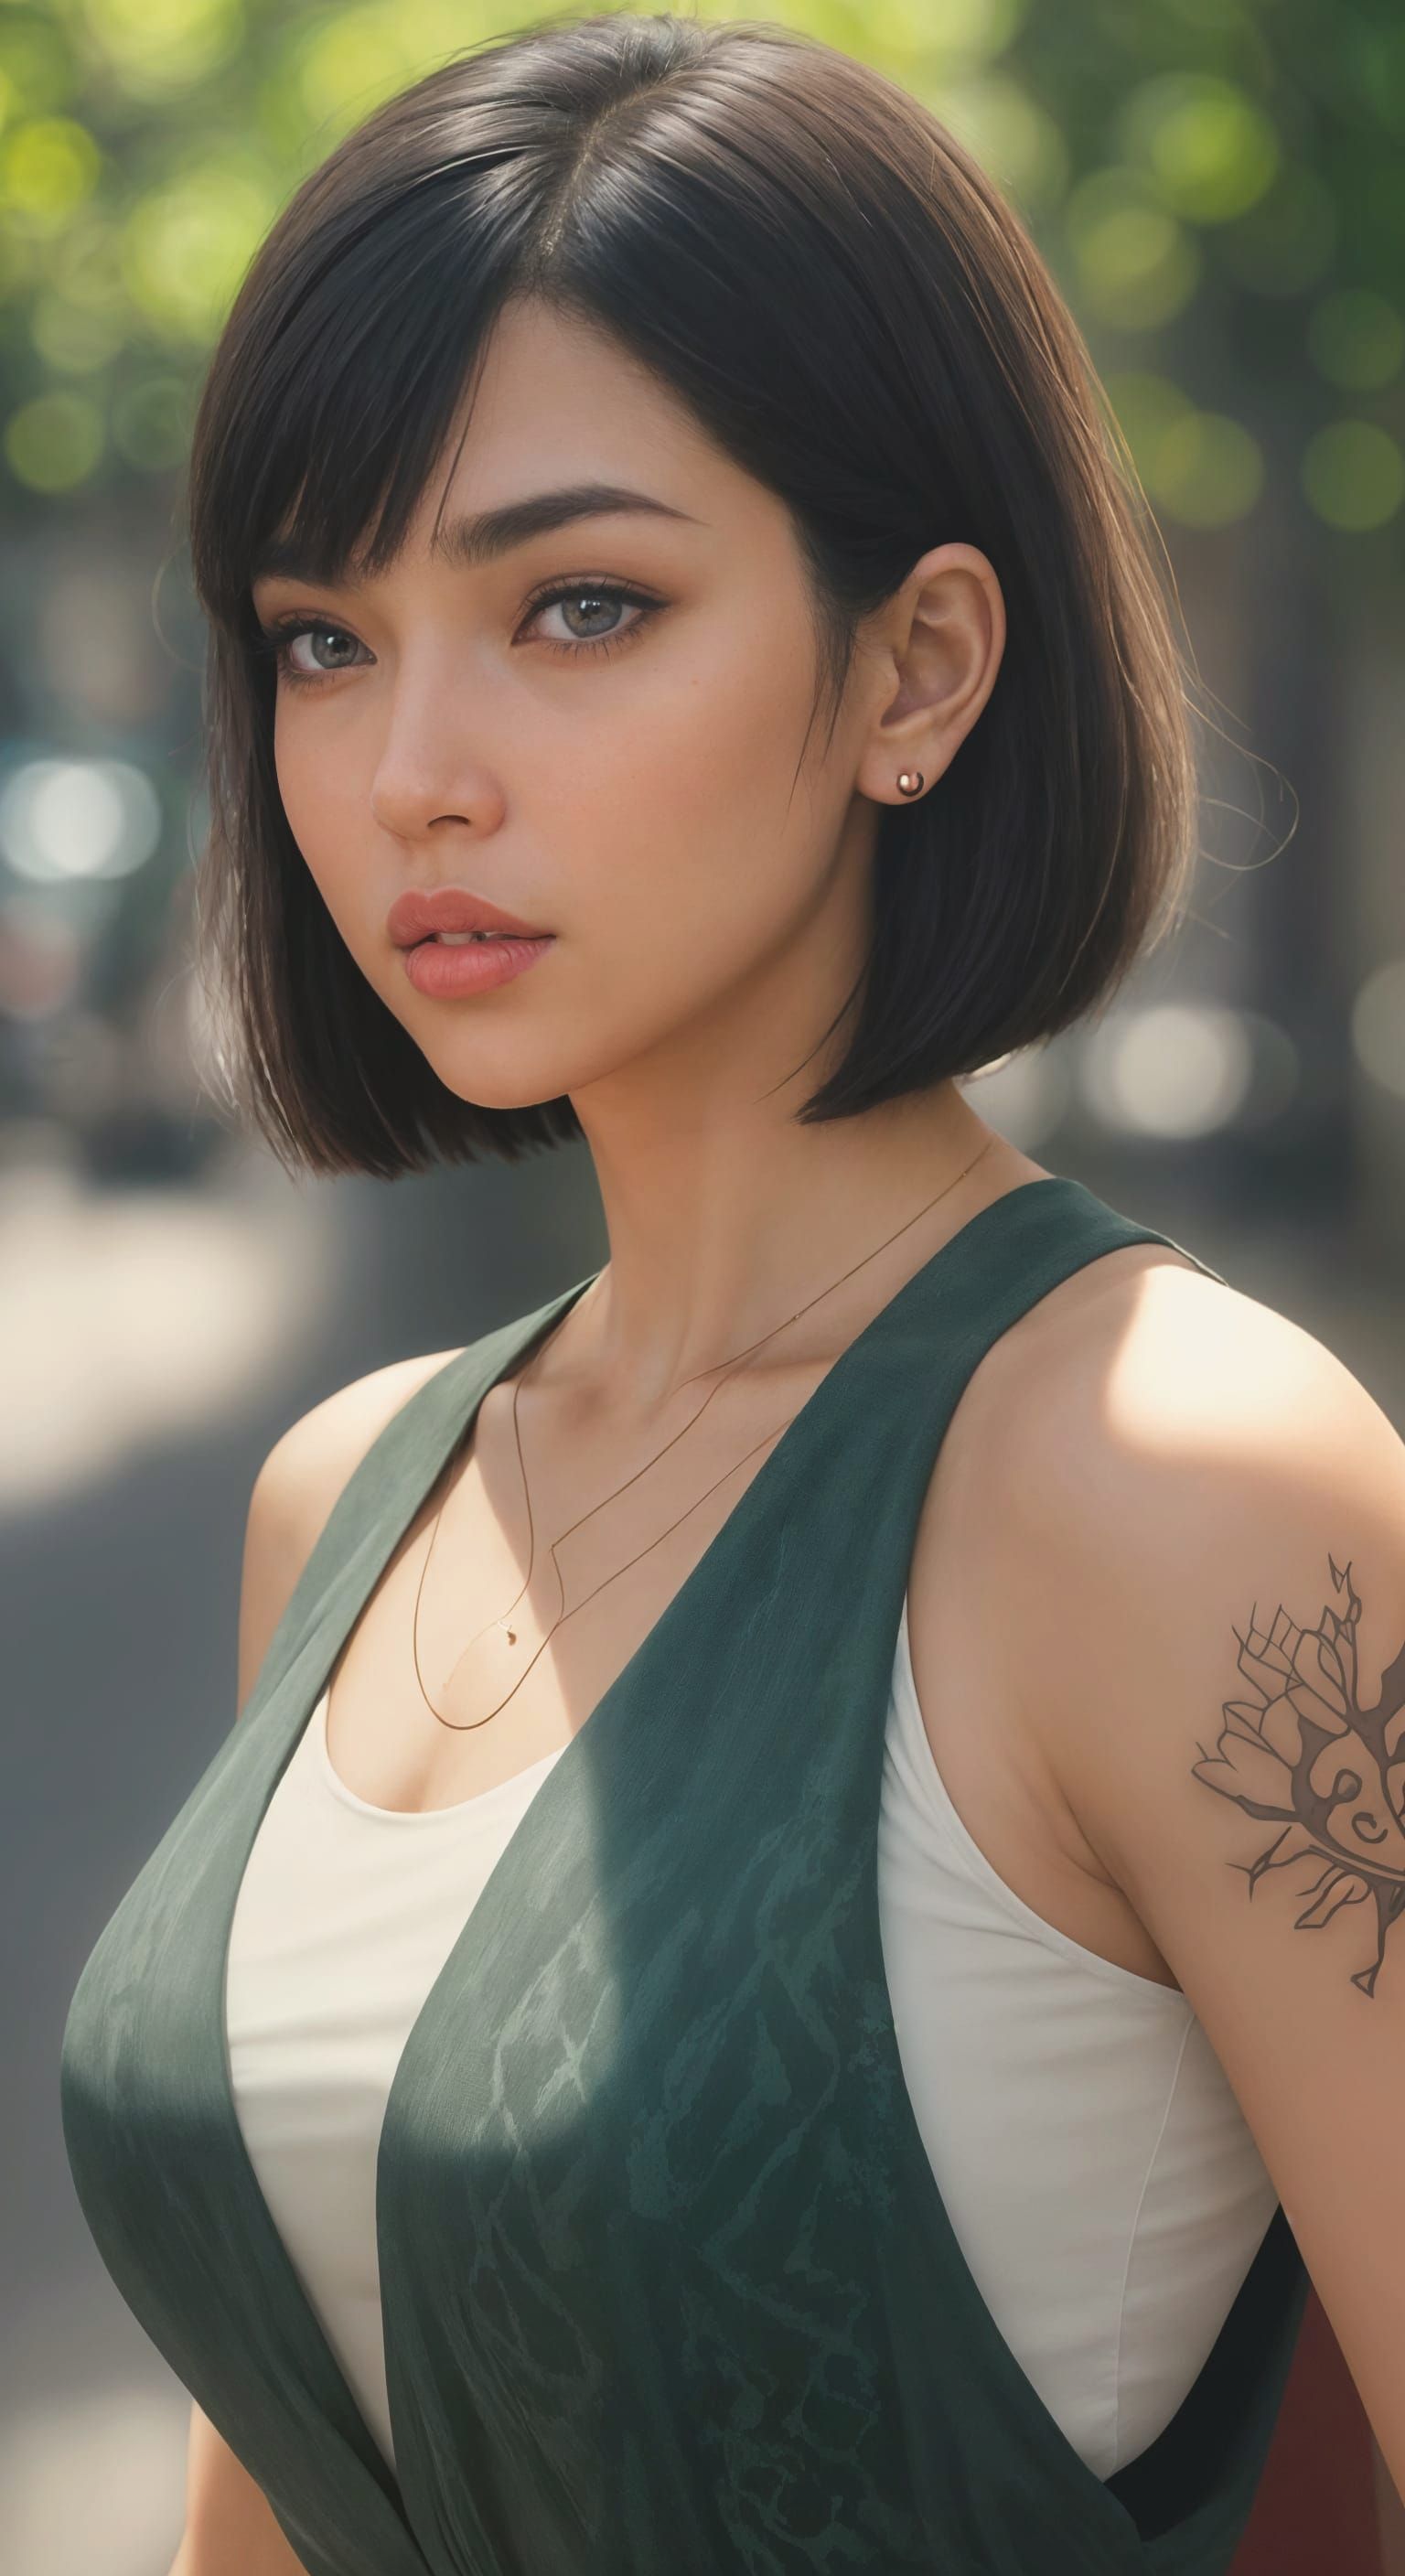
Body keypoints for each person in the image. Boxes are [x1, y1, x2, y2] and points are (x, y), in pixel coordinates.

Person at [59, 13, 1405, 2574]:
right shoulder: (350, 1498)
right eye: (323, 639)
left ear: (918, 666)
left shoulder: (1173, 1485)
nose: (411, 770)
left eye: (577, 607)